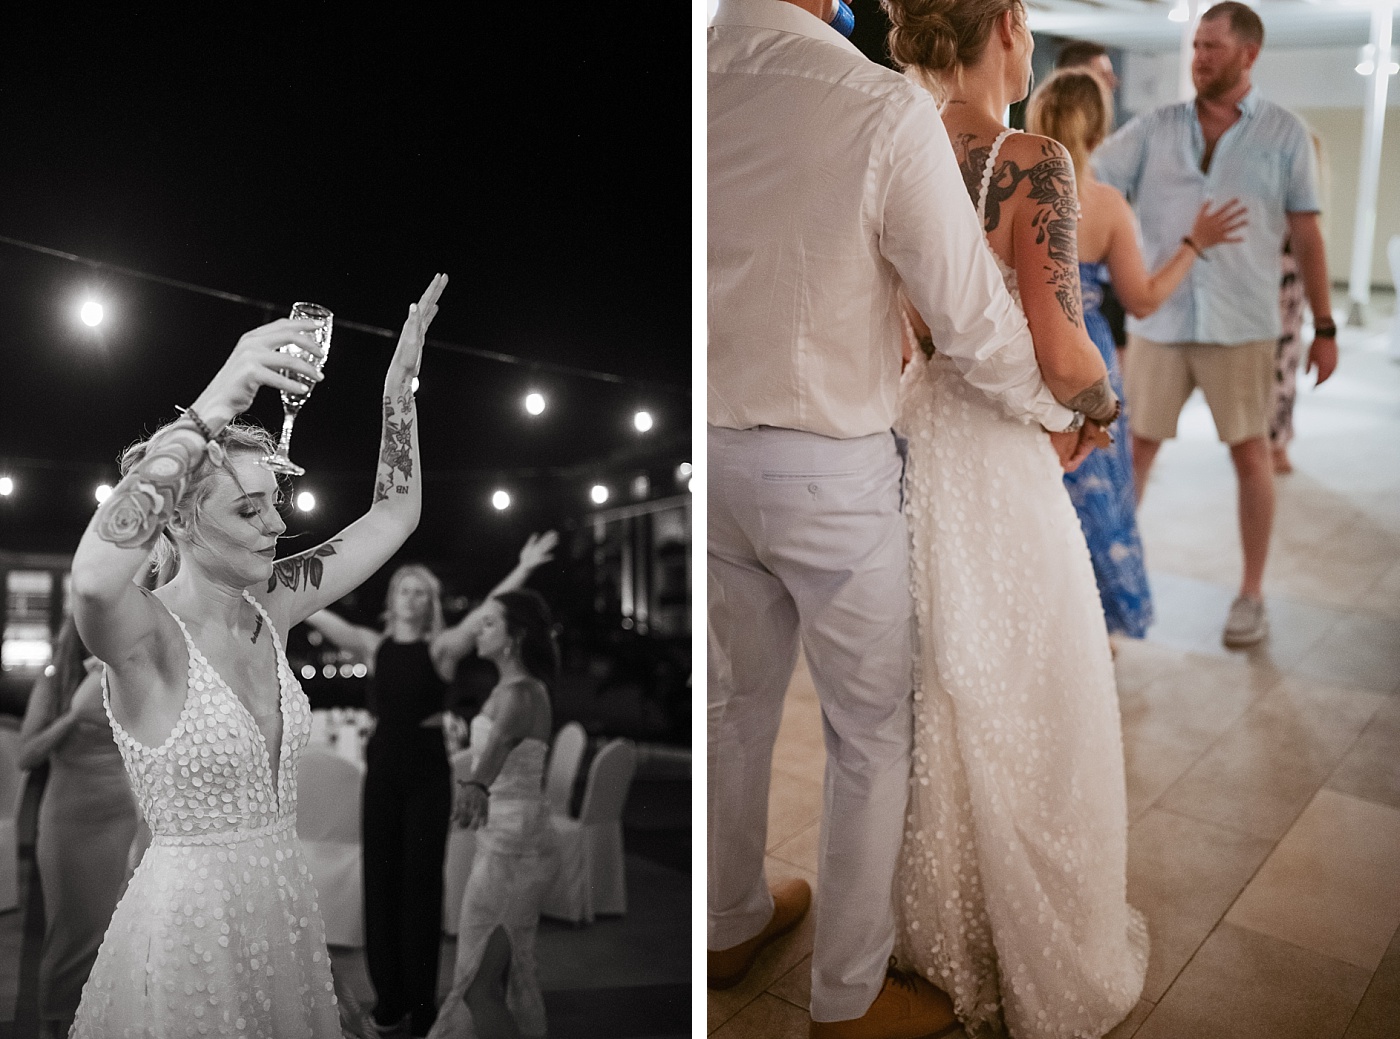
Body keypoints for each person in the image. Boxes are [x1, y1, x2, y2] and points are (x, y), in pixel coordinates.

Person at [708, 1, 1100, 1036]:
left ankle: (724, 923)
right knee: (870, 731)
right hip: (830, 467)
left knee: (734, 705)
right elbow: (977, 322)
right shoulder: (874, 106)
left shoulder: (703, 71)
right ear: (1006, 24)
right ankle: (846, 995)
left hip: (709, 454)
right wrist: (1069, 406)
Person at [66, 272, 447, 1038]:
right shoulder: (144, 638)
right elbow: (93, 576)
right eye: (248, 507)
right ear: (173, 519)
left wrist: (396, 391)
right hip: (190, 939)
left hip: (284, 914)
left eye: (275, 499)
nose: (277, 523)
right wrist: (217, 401)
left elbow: (394, 513)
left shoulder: (271, 602)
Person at [884, 2, 1149, 1035]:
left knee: (940, 689)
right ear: (1003, 22)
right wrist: (1100, 405)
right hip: (1001, 457)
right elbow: (1060, 346)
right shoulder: (1028, 160)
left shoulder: (891, 144)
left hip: (919, 452)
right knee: (1035, 687)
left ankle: (940, 932)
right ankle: (1038, 943)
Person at [1093, 1, 1337, 647]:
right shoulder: (1154, 127)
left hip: (1243, 323)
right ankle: (1110, 591)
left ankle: (1251, 594)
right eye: (1197, 45)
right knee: (1135, 451)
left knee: (1251, 454)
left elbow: (1308, 236)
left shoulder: (1284, 134)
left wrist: (1325, 325)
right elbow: (1089, 182)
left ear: (1249, 54)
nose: (1199, 57)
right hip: (1161, 318)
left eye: (1213, 47)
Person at [301, 533, 557, 1038]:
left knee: (419, 887)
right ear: (392, 600)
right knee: (380, 884)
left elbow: (488, 611)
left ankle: (421, 1005)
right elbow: (315, 610)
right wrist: (284, 580)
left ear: (431, 602)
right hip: (383, 767)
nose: (414, 600)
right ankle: (389, 1001)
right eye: (405, 591)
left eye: (423, 593)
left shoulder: (441, 649)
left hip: (425, 770)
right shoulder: (373, 646)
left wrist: (522, 567)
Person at [1026, 67, 1248, 638]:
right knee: (1096, 492)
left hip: (1023, 351)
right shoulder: (1105, 206)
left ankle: (1031, 616)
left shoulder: (1012, 191)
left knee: (1029, 490)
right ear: (1101, 131)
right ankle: (1094, 626)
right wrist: (1195, 244)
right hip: (1087, 355)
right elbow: (1143, 301)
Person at [428, 588, 559, 1039]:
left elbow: (493, 758)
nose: (478, 631)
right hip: (513, 839)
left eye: (489, 623)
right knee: (499, 975)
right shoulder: (515, 689)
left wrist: (473, 786)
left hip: (512, 845)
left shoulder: (518, 695)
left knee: (477, 985)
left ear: (514, 637)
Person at [19, 618, 141, 1039]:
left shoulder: (125, 677)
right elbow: (26, 755)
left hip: (118, 815)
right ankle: (53, 1022)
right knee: (67, 928)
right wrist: (71, 719)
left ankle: (94, 1023)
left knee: (109, 930)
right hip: (67, 819)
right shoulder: (54, 685)